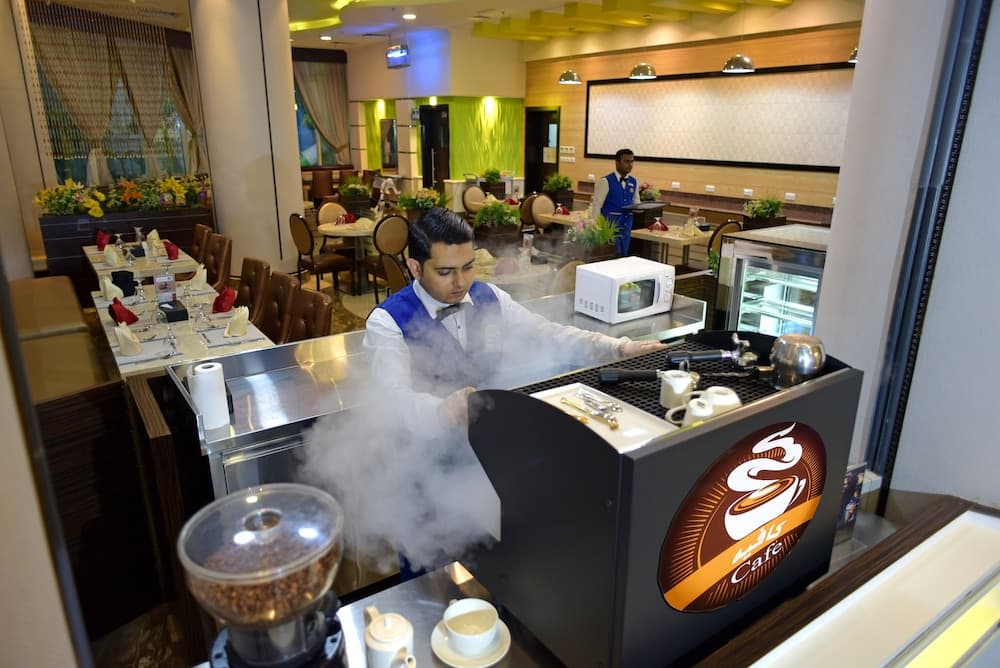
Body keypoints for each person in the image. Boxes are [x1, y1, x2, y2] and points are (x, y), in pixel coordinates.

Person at [363, 207, 666, 576]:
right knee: (432, 577)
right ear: (415, 267)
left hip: (488, 463)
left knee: (494, 567)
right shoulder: (387, 322)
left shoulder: (489, 297)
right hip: (425, 471)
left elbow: (549, 334)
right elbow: (390, 398)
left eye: (468, 267)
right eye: (445, 272)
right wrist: (440, 410)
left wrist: (618, 348)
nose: (460, 281)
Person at [591, 148, 641, 257]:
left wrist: (644, 207)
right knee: (610, 256)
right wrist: (594, 227)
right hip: (609, 228)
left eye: (632, 161)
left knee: (623, 256)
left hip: (626, 226)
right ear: (617, 162)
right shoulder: (605, 181)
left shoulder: (634, 182)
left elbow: (636, 203)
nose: (630, 165)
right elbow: (596, 205)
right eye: (626, 161)